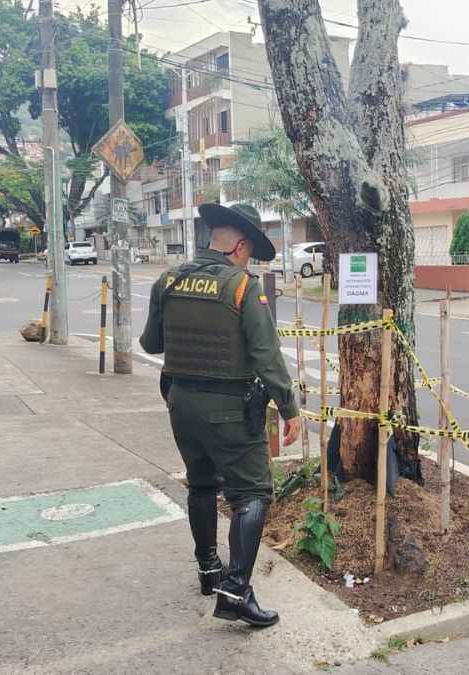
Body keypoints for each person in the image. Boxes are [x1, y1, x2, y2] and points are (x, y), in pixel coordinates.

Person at [139, 202, 301, 629]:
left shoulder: (168, 280)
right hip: (229, 411)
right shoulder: (242, 288)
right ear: (241, 247)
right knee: (253, 495)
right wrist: (290, 409)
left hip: (181, 405)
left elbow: (150, 343)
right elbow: (267, 358)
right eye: (251, 252)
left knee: (203, 484)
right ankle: (235, 592)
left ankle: (209, 570)